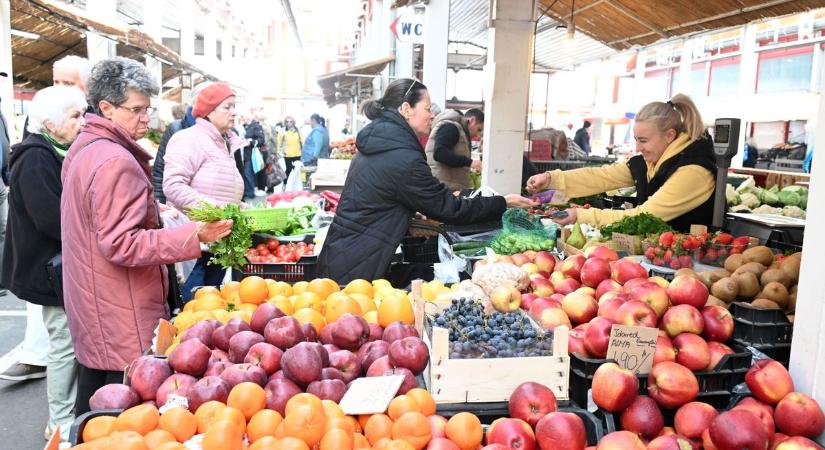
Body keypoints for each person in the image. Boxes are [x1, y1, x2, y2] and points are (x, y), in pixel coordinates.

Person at [60, 57, 233, 414]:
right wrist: (194, 236)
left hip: (96, 299)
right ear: (106, 108)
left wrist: (152, 211)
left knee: (95, 406)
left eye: (148, 109)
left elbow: (100, 224)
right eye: (136, 110)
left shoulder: (85, 149)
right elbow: (121, 243)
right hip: (120, 303)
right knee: (120, 411)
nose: (146, 119)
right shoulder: (115, 160)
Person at [317, 78, 536, 284]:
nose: (431, 115)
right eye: (427, 108)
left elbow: (381, 200)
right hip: (360, 269)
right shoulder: (402, 157)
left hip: (349, 256)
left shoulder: (379, 145)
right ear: (406, 109)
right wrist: (502, 203)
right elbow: (451, 209)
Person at [1, 85, 86, 441]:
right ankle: (60, 421)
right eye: (75, 116)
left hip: (61, 267)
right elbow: (51, 219)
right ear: (50, 123)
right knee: (64, 341)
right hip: (47, 270)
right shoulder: (34, 157)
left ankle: (70, 412)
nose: (83, 122)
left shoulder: (59, 149)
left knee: (70, 338)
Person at [527, 94, 716, 232]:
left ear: (670, 136)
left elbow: (647, 215)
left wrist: (583, 215)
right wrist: (551, 178)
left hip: (691, 265)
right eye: (636, 139)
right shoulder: (650, 162)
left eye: (643, 140)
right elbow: (601, 177)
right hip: (659, 256)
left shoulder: (693, 171)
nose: (637, 148)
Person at [163, 82, 246, 301]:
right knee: (194, 309)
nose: (234, 112)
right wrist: (217, 209)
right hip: (194, 245)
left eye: (234, 106)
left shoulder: (224, 142)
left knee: (212, 307)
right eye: (227, 107)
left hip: (218, 243)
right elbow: (173, 186)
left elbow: (222, 187)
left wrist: (239, 208)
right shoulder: (189, 139)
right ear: (209, 111)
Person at [152, 84, 206, 203]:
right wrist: (159, 206)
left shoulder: (227, 134)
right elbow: (160, 170)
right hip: (181, 210)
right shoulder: (176, 128)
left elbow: (236, 173)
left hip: (220, 211)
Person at [424, 108, 484, 192]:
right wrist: (470, 162)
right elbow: (440, 153)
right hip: (442, 189)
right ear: (472, 120)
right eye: (479, 129)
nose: (477, 135)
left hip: (443, 187)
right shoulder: (451, 127)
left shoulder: (456, 129)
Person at [241, 112, 266, 199]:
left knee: (248, 173)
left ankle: (250, 193)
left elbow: (261, 140)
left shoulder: (256, 126)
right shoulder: (245, 126)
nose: (242, 119)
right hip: (245, 154)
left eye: (243, 117)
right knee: (247, 173)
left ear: (248, 118)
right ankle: (248, 191)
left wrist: (250, 142)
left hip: (251, 155)